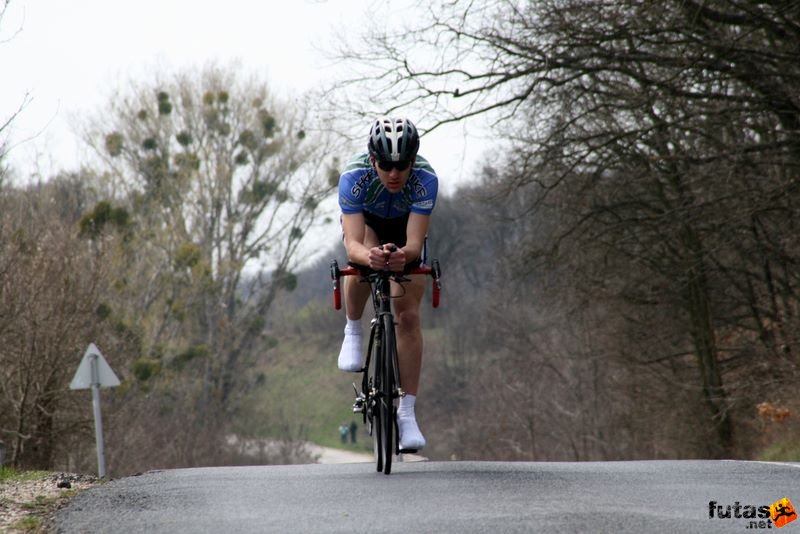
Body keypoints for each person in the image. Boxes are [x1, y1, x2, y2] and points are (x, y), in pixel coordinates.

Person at [336, 117, 439, 452]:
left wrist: (404, 256)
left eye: (402, 165)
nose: (394, 174)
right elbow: (352, 246)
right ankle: (353, 329)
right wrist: (371, 257)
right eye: (386, 165)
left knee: (408, 316)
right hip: (368, 226)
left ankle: (406, 414)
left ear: (413, 161)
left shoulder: (426, 179)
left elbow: (413, 244)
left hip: (405, 227)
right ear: (372, 159)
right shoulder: (353, 177)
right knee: (363, 261)